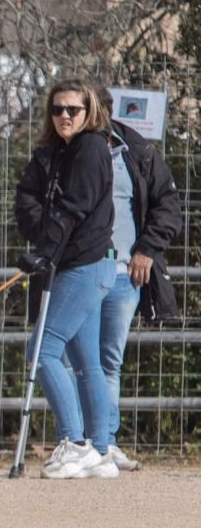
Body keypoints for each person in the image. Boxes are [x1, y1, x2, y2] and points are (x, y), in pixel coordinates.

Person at [14, 79, 118, 480]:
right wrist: (44, 237)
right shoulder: (54, 152)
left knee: (42, 350)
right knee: (86, 362)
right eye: (57, 109)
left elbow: (74, 207)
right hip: (73, 262)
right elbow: (31, 204)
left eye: (72, 109)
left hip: (85, 263)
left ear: (88, 110)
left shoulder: (91, 147)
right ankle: (102, 450)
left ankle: (74, 443)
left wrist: (46, 248)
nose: (64, 117)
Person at [88, 87, 182, 471]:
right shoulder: (63, 155)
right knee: (79, 358)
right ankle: (81, 439)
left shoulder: (137, 152)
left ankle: (106, 441)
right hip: (79, 272)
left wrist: (146, 250)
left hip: (125, 272)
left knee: (109, 358)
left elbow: (168, 207)